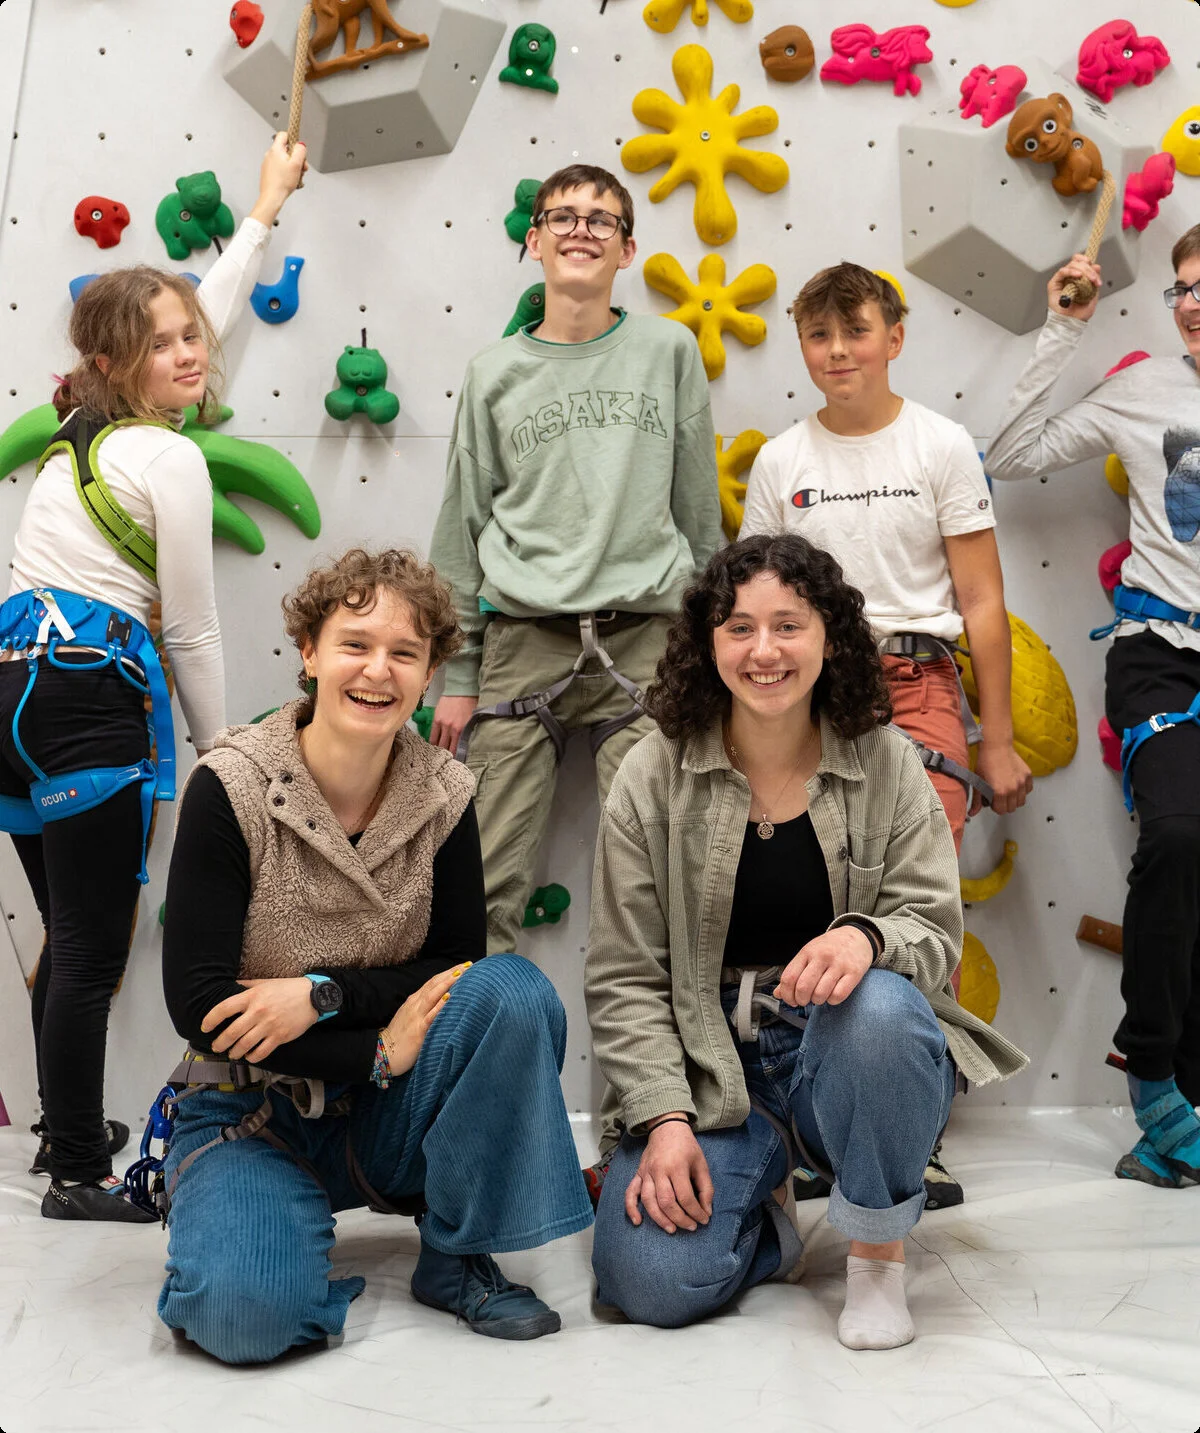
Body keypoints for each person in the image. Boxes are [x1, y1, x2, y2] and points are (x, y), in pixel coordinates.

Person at [585, 534, 1027, 1349]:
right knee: (642, 1279)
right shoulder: (650, 773)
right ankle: (770, 1208)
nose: (764, 651)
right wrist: (666, 1118)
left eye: (788, 625)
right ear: (706, 642)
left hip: (843, 1049)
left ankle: (876, 1257)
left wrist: (866, 936)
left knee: (885, 1007)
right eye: (739, 627)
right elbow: (621, 976)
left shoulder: (888, 760)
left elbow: (932, 927)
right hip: (707, 1056)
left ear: (829, 636)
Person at [156, 549, 593, 1364]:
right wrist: (374, 1045)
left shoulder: (446, 792)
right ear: (310, 653)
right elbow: (203, 1004)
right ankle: (260, 1237)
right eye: (355, 643)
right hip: (253, 1113)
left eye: (406, 651)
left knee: (513, 992)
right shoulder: (231, 784)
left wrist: (320, 996)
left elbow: (456, 965)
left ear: (429, 673)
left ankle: (457, 1251)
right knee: (244, 1319)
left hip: (391, 1110)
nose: (378, 670)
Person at [0, 134, 306, 1221]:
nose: (191, 354)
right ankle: (79, 1171)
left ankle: (61, 1134)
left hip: (12, 694)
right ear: (122, 362)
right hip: (88, 693)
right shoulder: (168, 456)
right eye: (166, 345)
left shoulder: (78, 433)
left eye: (193, 338)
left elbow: (195, 313)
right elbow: (191, 630)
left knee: (63, 940)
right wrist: (225, 752)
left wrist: (262, 209)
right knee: (91, 948)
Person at [740, 262, 1033, 1206]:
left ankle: (912, 1130)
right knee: (806, 887)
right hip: (811, 688)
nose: (837, 353)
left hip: (918, 684)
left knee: (918, 901)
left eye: (855, 332)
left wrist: (996, 737)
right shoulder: (784, 462)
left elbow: (983, 603)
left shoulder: (939, 445)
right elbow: (756, 605)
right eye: (819, 337)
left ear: (895, 337)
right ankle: (809, 1120)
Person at [428, 163, 722, 954]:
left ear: (628, 250)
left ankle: (653, 1083)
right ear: (534, 243)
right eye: (562, 216)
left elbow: (699, 517)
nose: (581, 229)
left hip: (650, 638)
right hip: (525, 638)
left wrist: (712, 654)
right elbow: (462, 527)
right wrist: (458, 679)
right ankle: (481, 1069)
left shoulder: (669, 351)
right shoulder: (493, 373)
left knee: (658, 885)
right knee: (480, 882)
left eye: (602, 219)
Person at [987, 239, 1200, 1188]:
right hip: (1161, 655)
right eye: (1183, 288)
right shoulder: (1147, 386)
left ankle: (1180, 1105)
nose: (1191, 304)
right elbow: (1010, 455)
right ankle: (1152, 1072)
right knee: (1182, 836)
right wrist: (1065, 324)